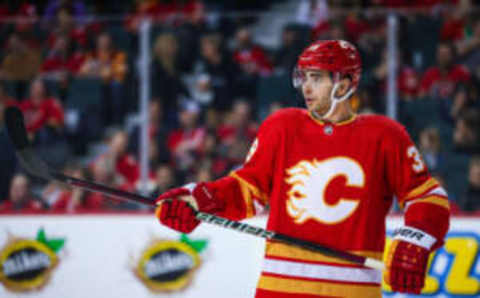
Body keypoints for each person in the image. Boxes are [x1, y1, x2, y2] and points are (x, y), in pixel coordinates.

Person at [154, 40, 451, 297]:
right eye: (305, 77)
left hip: (352, 292)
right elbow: (247, 190)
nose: (306, 87)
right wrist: (196, 201)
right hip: (280, 290)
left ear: (345, 84)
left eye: (317, 78)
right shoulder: (282, 126)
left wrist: (416, 238)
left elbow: (427, 196)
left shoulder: (385, 136)